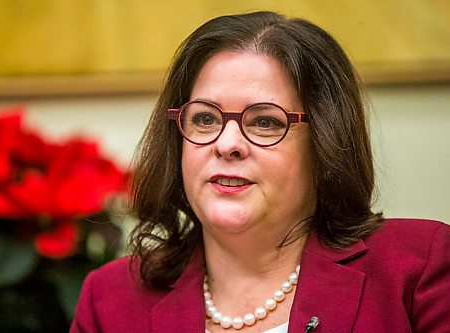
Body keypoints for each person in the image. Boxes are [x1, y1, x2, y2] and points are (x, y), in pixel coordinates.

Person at [71, 11, 449, 333]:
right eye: (205, 118)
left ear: (324, 142)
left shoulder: (417, 268)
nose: (227, 143)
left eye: (265, 121)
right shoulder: (110, 298)